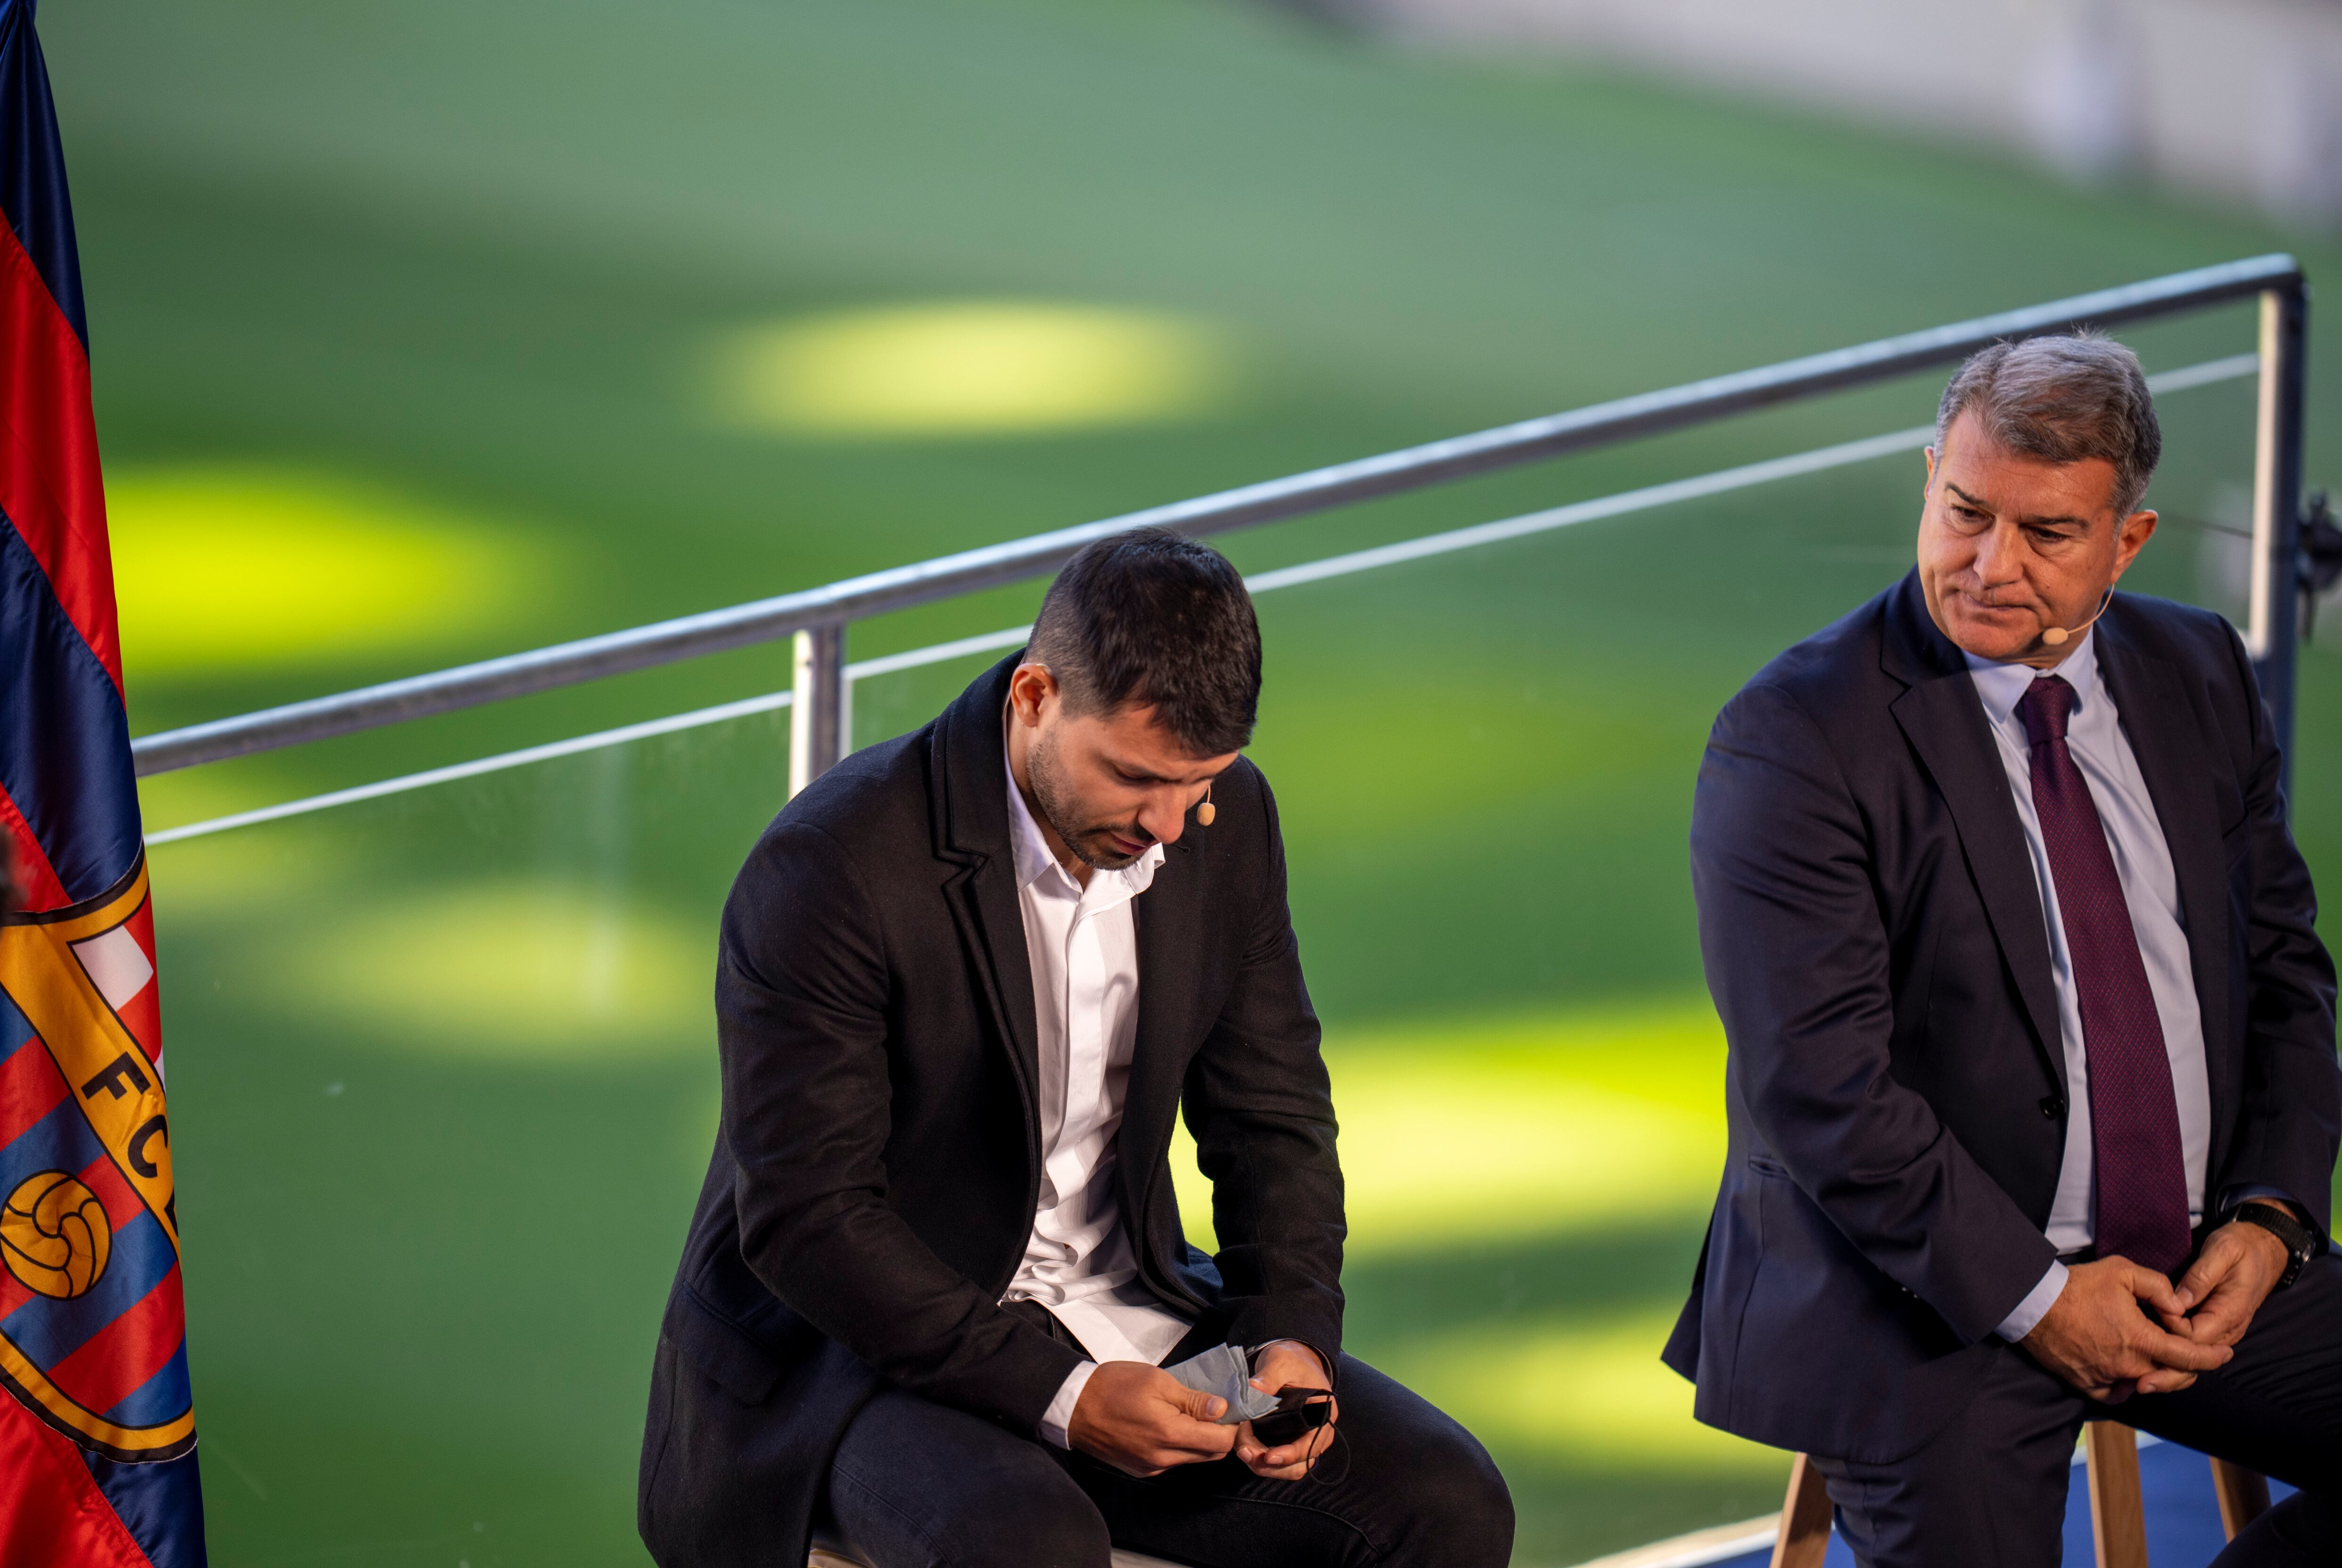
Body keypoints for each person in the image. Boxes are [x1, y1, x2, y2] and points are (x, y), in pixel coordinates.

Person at [639, 529, 1511, 1568]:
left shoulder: (1226, 821)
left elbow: (1272, 1113)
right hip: (850, 1357)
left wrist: (1289, 1328)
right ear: (1034, 696)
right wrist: (1064, 1395)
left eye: (1198, 782)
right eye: (1135, 776)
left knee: (1450, 1501)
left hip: (1123, 1307)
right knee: (1030, 1544)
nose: (1169, 824)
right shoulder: (833, 864)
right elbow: (808, 1218)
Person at [1663, 334, 2342, 1567]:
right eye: (1966, 511)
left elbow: (2286, 973)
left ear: (2126, 543)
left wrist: (2274, 1217)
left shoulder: (2197, 672)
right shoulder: (1793, 734)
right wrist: (2044, 1297)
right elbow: (1822, 1089)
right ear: (1931, 477)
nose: (1989, 563)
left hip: (2203, 1262)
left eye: (2047, 533)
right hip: (1928, 1298)